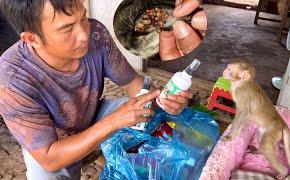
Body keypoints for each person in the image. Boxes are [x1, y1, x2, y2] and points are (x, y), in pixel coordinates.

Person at [0, 0, 192, 179]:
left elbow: (136, 86)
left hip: (91, 115)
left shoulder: (96, 34)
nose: (84, 35)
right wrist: (113, 122)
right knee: (49, 172)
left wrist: (166, 99)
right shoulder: (11, 80)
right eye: (67, 29)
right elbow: (50, 158)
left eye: (82, 18)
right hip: (52, 143)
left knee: (145, 110)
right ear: (32, 38)